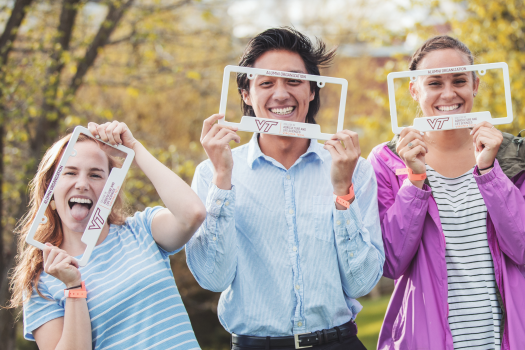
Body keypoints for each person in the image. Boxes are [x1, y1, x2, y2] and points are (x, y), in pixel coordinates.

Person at [187, 27, 384, 350]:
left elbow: (362, 282)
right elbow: (213, 279)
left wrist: (341, 191)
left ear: (311, 91)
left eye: (293, 81)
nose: (280, 94)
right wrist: (223, 180)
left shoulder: (354, 169)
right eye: (266, 83)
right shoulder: (212, 173)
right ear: (246, 94)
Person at [369, 35, 525, 350]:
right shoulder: (387, 160)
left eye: (459, 80)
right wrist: (415, 178)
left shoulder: (511, 152)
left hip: (511, 339)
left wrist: (490, 172)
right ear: (413, 89)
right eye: (435, 83)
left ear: (475, 84)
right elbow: (391, 262)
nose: (449, 93)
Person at [10, 121, 206, 349]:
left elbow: (193, 213)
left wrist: (134, 148)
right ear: (50, 192)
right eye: (70, 172)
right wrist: (73, 287)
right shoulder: (41, 281)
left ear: (110, 189)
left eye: (95, 175)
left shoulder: (142, 229)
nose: (82, 184)